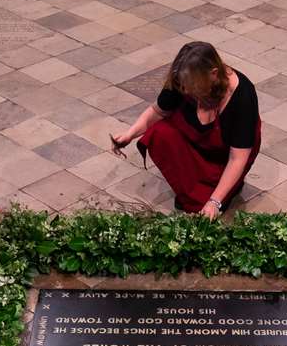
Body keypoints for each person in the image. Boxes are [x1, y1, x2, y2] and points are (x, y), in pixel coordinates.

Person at [109, 41, 261, 218]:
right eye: (183, 85)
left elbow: (237, 158)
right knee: (159, 134)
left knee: (206, 205)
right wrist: (130, 134)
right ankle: (197, 188)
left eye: (193, 86)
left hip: (226, 156)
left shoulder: (243, 95)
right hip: (197, 143)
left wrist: (214, 202)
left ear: (213, 74)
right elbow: (157, 111)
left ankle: (227, 187)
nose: (186, 90)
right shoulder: (183, 79)